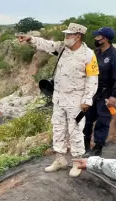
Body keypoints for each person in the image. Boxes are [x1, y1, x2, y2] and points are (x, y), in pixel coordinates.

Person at [18, 23, 99, 177]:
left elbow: (92, 79)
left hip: (76, 99)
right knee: (58, 128)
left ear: (78, 37)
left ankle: (77, 162)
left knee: (75, 130)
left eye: (69, 35)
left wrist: (87, 100)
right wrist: (30, 39)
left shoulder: (88, 55)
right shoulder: (62, 48)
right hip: (59, 97)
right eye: (66, 34)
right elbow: (46, 45)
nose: (66, 37)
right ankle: (60, 159)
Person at [83, 27, 116, 157]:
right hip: (92, 92)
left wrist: (114, 96)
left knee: (102, 121)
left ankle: (97, 148)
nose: (95, 39)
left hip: (106, 94)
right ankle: (85, 146)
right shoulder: (95, 53)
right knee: (87, 120)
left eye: (98, 37)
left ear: (105, 39)